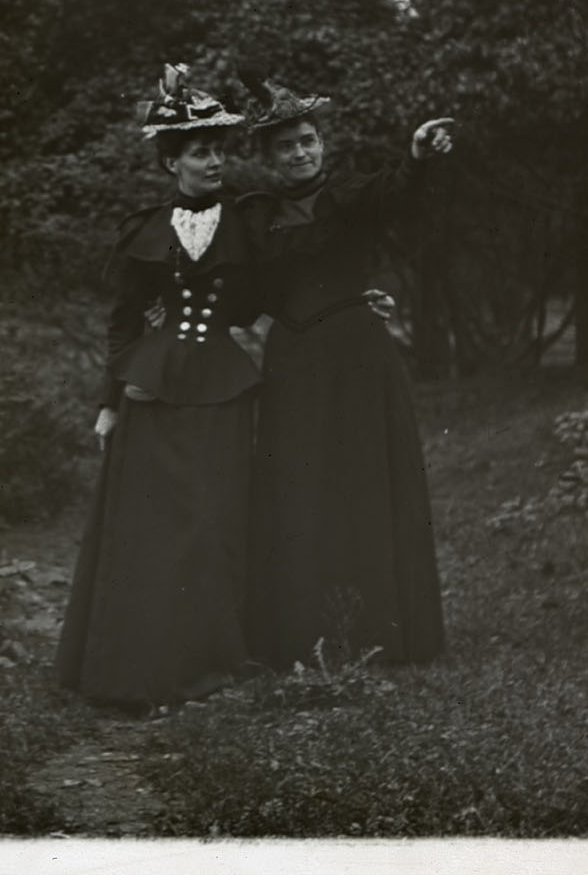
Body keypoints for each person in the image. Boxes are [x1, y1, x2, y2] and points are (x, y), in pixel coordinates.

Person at [55, 65, 261, 710]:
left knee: (211, 520)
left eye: (220, 150)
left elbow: (278, 293)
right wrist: (108, 402)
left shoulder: (248, 223)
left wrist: (352, 300)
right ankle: (139, 669)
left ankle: (210, 664)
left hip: (221, 390)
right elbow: (122, 323)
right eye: (201, 151)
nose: (215, 161)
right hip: (152, 391)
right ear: (173, 160)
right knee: (153, 526)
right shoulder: (146, 228)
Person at [239, 79, 454, 672]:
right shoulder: (255, 218)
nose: (300, 153)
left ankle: (377, 629)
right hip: (294, 364)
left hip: (358, 358)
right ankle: (302, 636)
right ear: (269, 158)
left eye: (307, 141)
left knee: (362, 482)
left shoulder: (350, 195)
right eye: (285, 147)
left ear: (321, 144)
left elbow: (399, 191)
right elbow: (236, 287)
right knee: (301, 489)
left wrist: (415, 154)